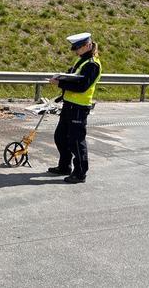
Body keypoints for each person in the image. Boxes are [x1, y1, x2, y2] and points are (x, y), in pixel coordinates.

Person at [47, 32, 102, 184]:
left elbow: (82, 86)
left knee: (76, 141)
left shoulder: (92, 64)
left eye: (78, 48)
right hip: (69, 105)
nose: (75, 51)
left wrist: (60, 83)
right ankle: (64, 166)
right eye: (75, 48)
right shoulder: (81, 60)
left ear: (88, 46)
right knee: (60, 137)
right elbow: (74, 78)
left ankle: (80, 173)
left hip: (79, 107)